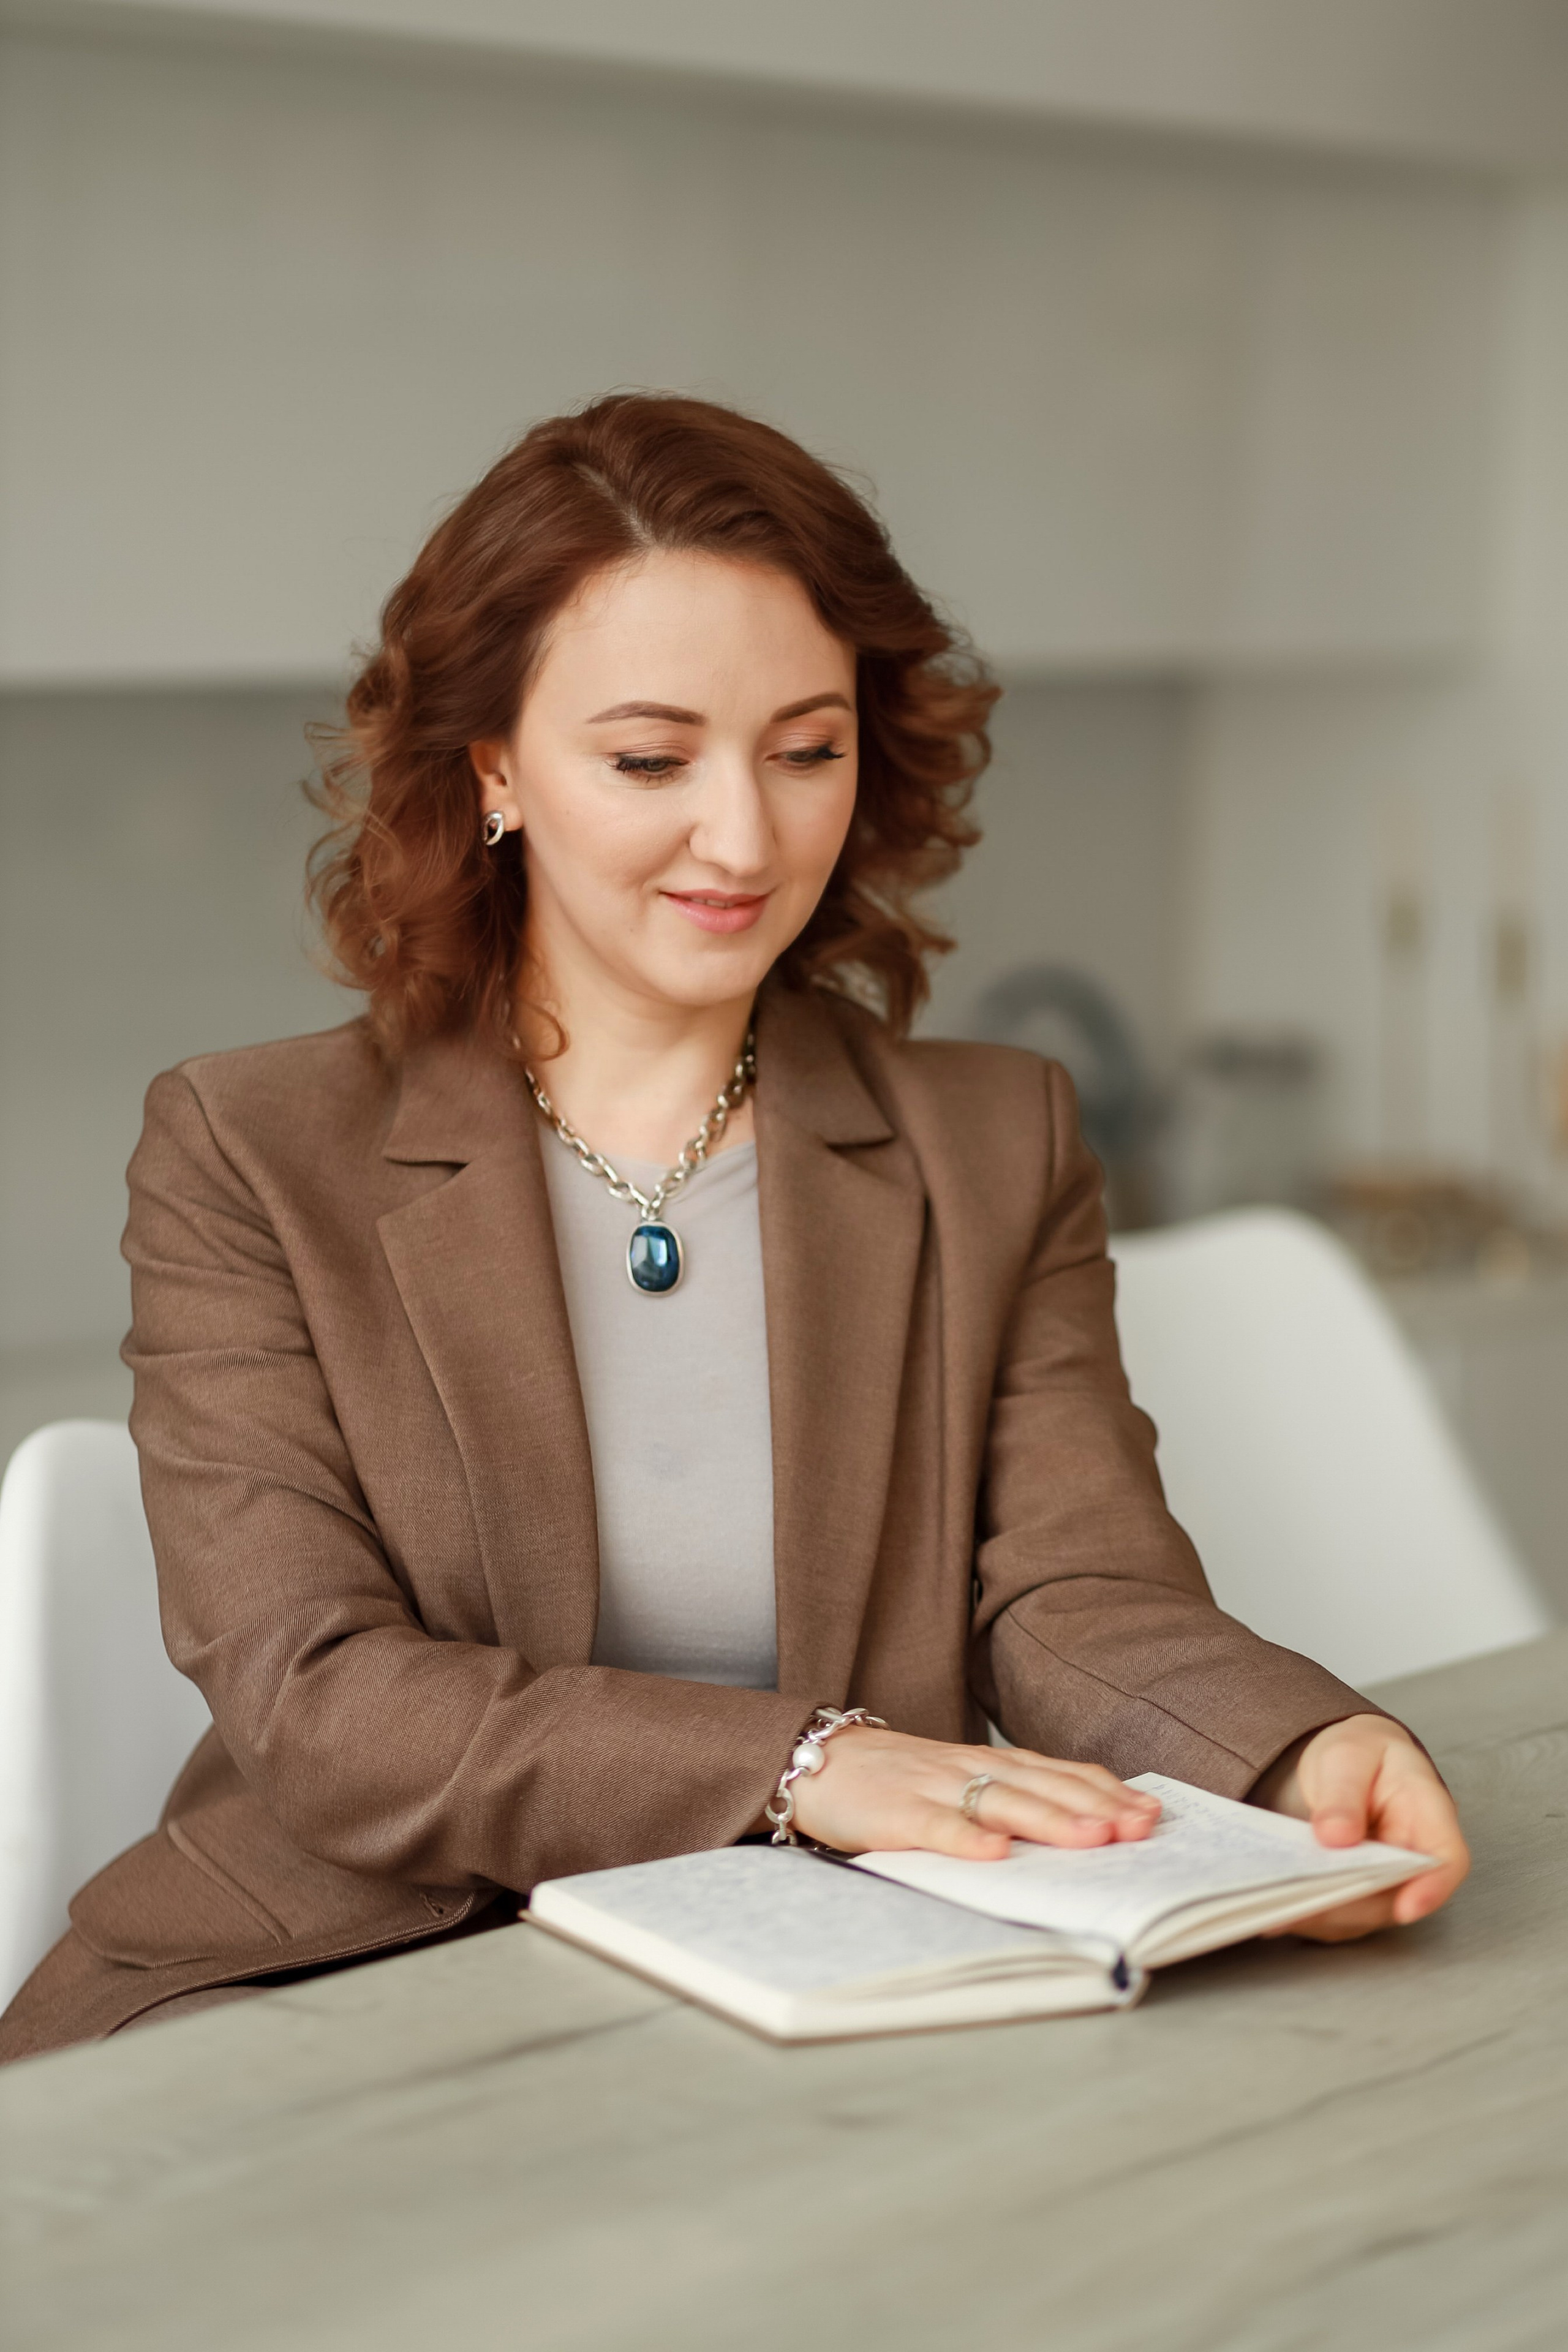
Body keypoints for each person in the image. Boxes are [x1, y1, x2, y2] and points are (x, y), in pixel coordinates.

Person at [0, 394, 1466, 2059]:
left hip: (811, 1984)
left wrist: (1289, 1753)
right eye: (650, 758)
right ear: (494, 767)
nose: (748, 837)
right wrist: (805, 1766)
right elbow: (322, 1698)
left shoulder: (995, 1139)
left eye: (806, 746)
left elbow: (1070, 1589)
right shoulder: (249, 1151)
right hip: (342, 1982)